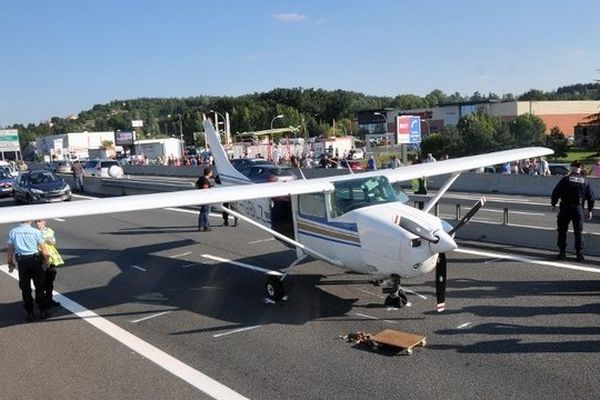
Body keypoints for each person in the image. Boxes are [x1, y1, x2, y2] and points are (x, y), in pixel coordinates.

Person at [551, 161, 595, 262]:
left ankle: (562, 252)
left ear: (571, 168)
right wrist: (590, 210)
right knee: (578, 232)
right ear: (580, 168)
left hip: (565, 208)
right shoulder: (585, 181)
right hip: (578, 208)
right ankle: (579, 254)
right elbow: (591, 197)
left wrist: (553, 204)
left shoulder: (565, 179)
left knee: (562, 231)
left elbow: (556, 192)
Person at [6, 221, 50, 321]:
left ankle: (30, 313)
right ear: (29, 220)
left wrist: (9, 261)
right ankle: (43, 311)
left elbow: (10, 248)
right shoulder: (35, 231)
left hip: (22, 262)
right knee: (39, 286)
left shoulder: (13, 232)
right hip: (35, 261)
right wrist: (47, 261)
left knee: (25, 288)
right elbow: (43, 247)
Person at [35, 220, 64, 307]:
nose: (37, 223)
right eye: (36, 221)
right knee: (40, 281)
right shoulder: (34, 232)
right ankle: (41, 301)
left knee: (50, 279)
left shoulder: (49, 230)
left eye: (39, 221)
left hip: (50, 258)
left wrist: (49, 239)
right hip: (40, 258)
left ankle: (49, 299)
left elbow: (53, 242)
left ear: (44, 222)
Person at [195, 167, 213, 231]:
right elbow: (206, 190)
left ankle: (200, 226)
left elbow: (196, 185)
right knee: (206, 212)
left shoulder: (200, 178)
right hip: (206, 198)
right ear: (209, 173)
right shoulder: (205, 180)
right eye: (211, 172)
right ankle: (205, 226)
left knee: (202, 212)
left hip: (201, 197)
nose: (212, 173)